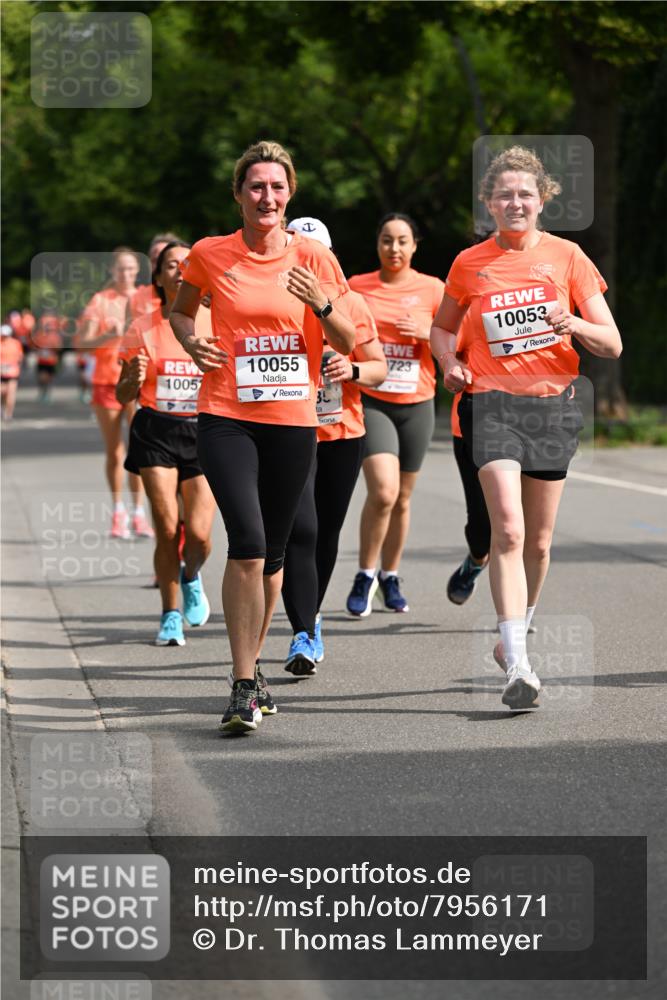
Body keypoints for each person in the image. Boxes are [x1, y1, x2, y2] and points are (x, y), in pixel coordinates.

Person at [170, 140, 356, 735]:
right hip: (226, 414)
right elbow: (181, 310)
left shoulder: (314, 259)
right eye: (256, 187)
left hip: (294, 422)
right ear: (238, 194)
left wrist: (321, 302)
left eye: (276, 187)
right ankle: (242, 681)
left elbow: (350, 340)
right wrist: (190, 341)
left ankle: (254, 673)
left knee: (273, 555)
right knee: (247, 543)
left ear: (289, 192)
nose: (266, 197)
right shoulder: (209, 253)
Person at [431, 145, 621, 710]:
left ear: (542, 201)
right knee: (508, 532)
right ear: (489, 203)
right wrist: (449, 362)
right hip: (492, 406)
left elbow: (610, 342)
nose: (515, 202)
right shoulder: (470, 263)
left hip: (553, 407)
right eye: (504, 194)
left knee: (538, 542)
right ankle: (518, 661)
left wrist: (575, 322)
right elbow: (442, 330)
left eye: (525, 194)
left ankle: (512, 635)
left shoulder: (568, 257)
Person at [280, 217, 387, 675]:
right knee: (294, 533)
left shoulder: (352, 303)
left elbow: (378, 367)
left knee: (324, 533)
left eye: (317, 254)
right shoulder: (271, 298)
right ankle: (301, 630)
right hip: (288, 429)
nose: (310, 264)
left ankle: (313, 617)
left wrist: (352, 371)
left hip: (342, 433)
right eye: (301, 254)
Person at [116, 241, 216, 647]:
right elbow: (124, 394)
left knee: (200, 534)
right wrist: (133, 376)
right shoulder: (142, 327)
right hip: (155, 429)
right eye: (171, 265)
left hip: (205, 430)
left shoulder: (215, 321)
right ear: (158, 277)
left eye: (187, 264)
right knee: (165, 525)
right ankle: (170, 614)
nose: (179, 270)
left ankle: (191, 574)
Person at [345, 213, 445, 616]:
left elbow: (460, 339)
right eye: (387, 240)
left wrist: (429, 332)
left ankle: (390, 575)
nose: (395, 249)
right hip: (372, 399)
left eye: (403, 240)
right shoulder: (357, 287)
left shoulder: (434, 289)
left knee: (402, 499)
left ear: (415, 245)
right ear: (377, 244)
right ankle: (365, 574)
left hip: (417, 402)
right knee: (383, 491)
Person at [77, 247, 153, 540]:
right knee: (115, 451)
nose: (126, 274)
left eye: (131, 269)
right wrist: (114, 332)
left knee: (139, 449)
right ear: (112, 271)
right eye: (121, 269)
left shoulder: (146, 298)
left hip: (139, 381)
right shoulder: (101, 301)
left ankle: (139, 513)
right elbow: (83, 344)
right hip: (107, 381)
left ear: (138, 272)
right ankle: (118, 511)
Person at [30, 310, 64, 403]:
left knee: (49, 378)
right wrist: (39, 350)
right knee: (42, 377)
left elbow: (59, 348)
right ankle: (42, 392)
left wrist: (53, 348)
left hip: (51, 361)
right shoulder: (39, 335)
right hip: (42, 360)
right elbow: (34, 345)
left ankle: (47, 393)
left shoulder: (55, 336)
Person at [0, 324, 24, 420]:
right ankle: (3, 409)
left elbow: (20, 357)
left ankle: (8, 414)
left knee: (11, 393)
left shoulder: (15, 343)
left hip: (12, 372)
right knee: (2, 393)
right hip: (2, 372)